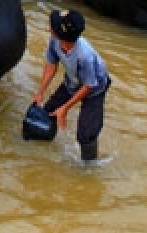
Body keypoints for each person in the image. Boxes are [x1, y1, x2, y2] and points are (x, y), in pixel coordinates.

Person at [32, 9, 111, 161]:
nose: (49, 27)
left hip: (95, 89)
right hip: (73, 82)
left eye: (52, 25)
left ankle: (89, 166)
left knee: (86, 135)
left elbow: (89, 86)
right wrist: (40, 92)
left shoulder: (85, 56)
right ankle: (42, 153)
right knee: (48, 113)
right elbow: (51, 65)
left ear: (60, 34)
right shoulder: (55, 41)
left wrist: (65, 108)